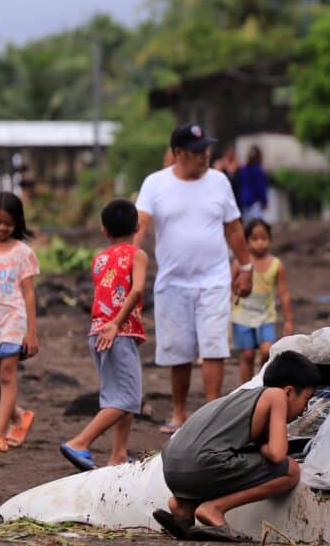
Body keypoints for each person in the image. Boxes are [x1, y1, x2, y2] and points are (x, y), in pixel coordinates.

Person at [135, 124, 254, 434]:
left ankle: (212, 412)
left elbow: (234, 228)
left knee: (214, 345)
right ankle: (179, 414)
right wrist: (126, 261)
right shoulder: (155, 184)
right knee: (179, 350)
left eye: (206, 150)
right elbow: (141, 225)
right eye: (197, 151)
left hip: (214, 278)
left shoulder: (219, 181)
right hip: (172, 281)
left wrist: (246, 267)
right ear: (177, 153)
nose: (205, 156)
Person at [152, 350, 321, 539]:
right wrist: (263, 446)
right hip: (201, 464)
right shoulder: (276, 396)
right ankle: (214, 509)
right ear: (289, 391)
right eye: (306, 399)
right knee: (291, 470)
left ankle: (183, 508)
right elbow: (277, 454)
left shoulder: (241, 397)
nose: (305, 409)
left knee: (226, 460)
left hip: (172, 469)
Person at [61, 199, 149, 471]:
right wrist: (117, 324)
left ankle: (119, 454)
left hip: (99, 332)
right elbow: (136, 290)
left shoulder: (99, 259)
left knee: (120, 395)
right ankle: (79, 442)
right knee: (128, 399)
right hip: (116, 332)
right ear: (137, 226)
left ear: (104, 230)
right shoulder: (138, 255)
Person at [0, 192, 39, 453]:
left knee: (7, 375)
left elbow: (28, 293)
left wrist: (31, 332)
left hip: (14, 318)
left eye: (8, 224)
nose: (1, 228)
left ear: (17, 224)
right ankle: (19, 416)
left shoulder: (23, 252)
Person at [232, 218, 294, 382]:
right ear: (246, 241)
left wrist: (288, 320)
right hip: (242, 316)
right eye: (255, 239)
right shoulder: (239, 264)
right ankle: (244, 390)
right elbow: (229, 288)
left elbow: (284, 293)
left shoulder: (276, 265)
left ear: (270, 239)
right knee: (247, 354)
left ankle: (260, 381)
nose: (260, 243)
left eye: (264, 238)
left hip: (266, 317)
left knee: (267, 351)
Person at [235, 145, 269, 221]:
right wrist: (265, 202)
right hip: (254, 202)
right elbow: (261, 187)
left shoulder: (242, 169)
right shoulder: (258, 170)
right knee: (255, 226)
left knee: (247, 226)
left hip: (243, 201)